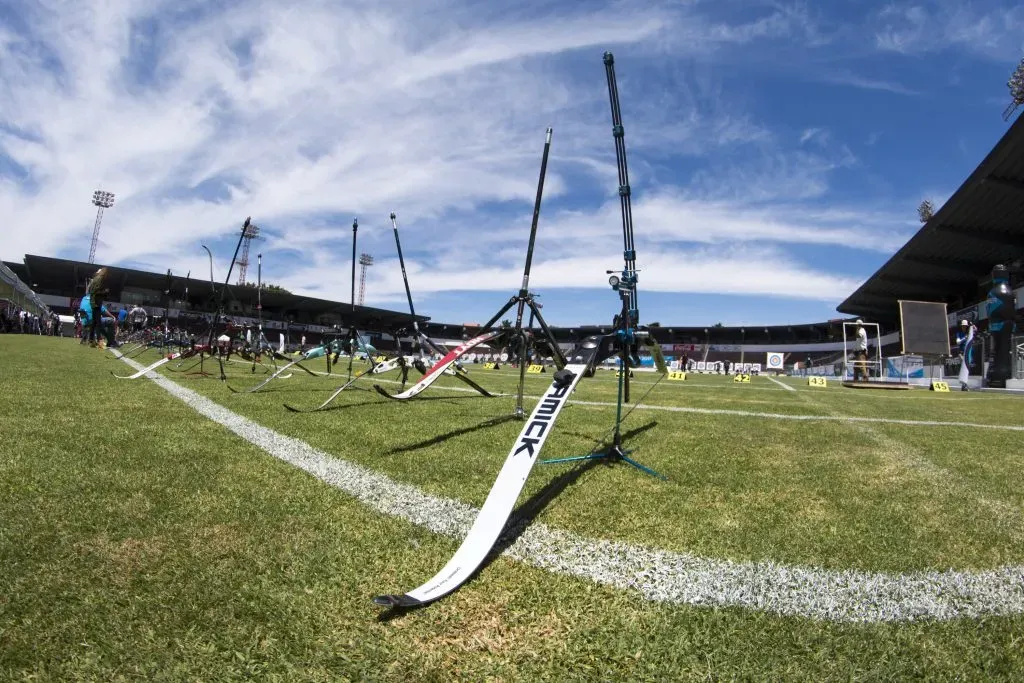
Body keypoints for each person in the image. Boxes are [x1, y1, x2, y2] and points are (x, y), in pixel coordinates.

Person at [956, 319, 977, 391]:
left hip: (967, 353)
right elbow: (958, 342)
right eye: (963, 326)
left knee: (966, 368)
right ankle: (964, 385)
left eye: (965, 326)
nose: (964, 327)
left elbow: (976, 330)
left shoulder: (969, 332)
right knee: (964, 366)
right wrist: (964, 338)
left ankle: (964, 385)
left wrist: (972, 325)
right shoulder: (959, 333)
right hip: (962, 353)